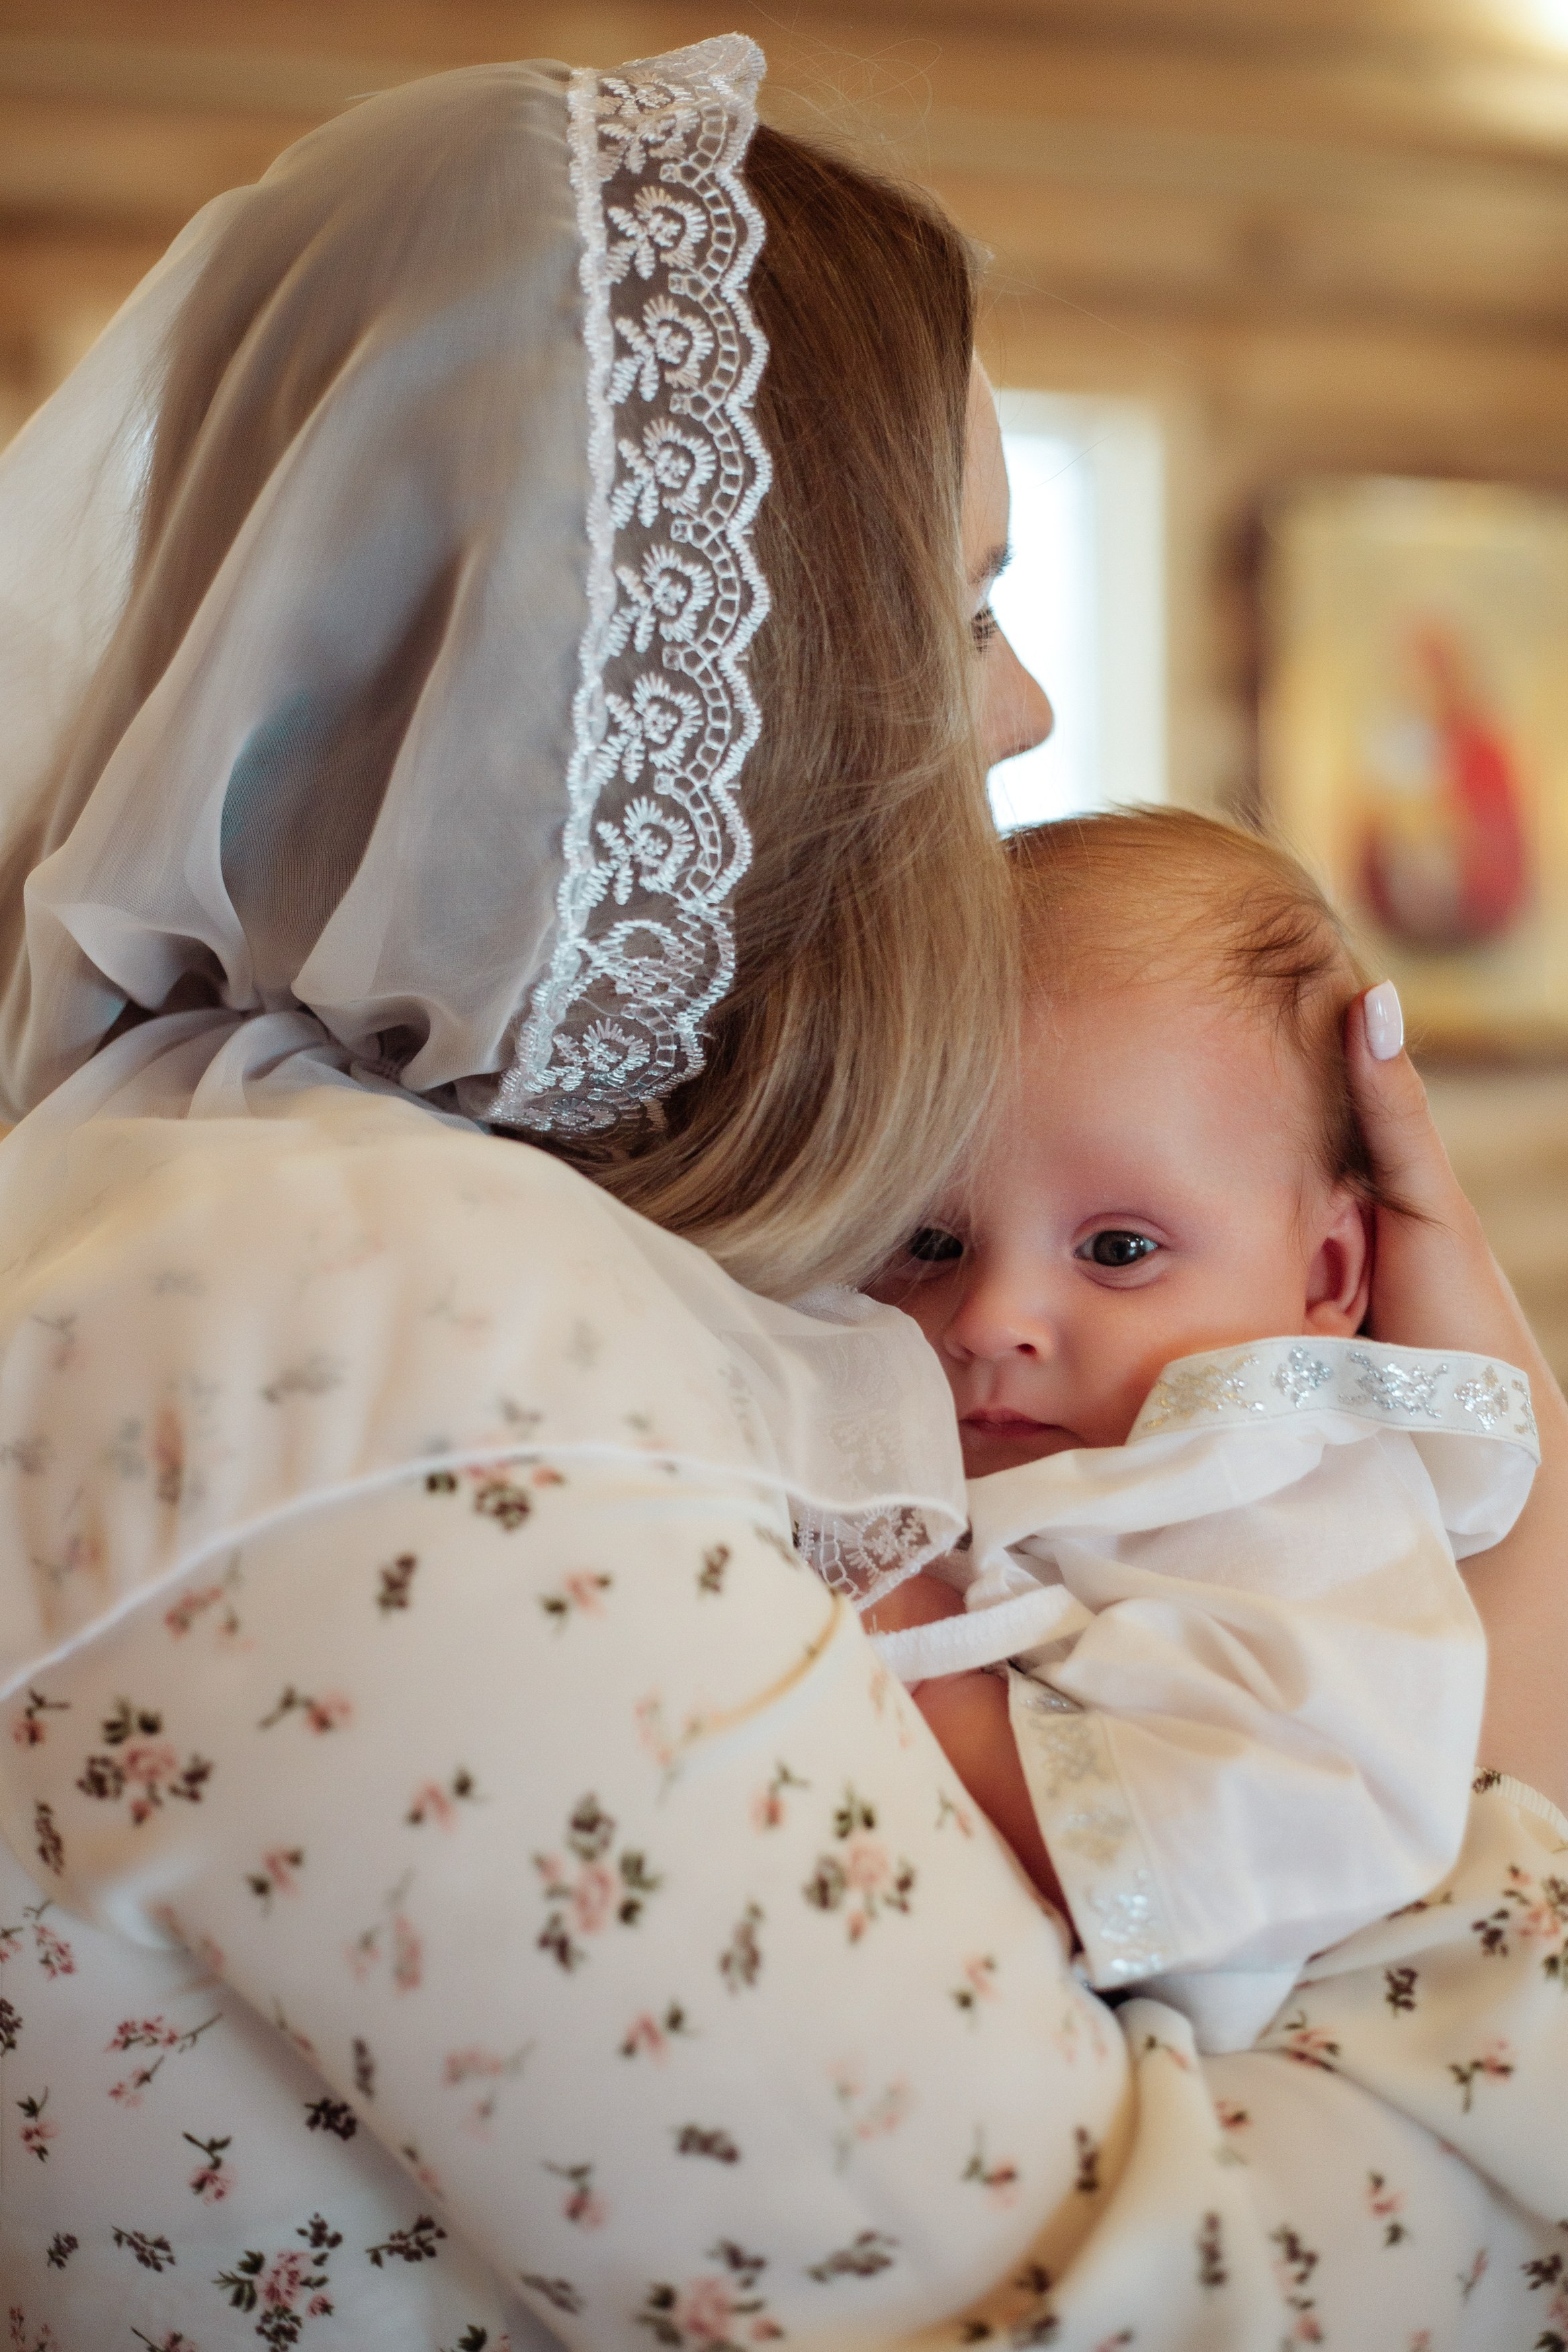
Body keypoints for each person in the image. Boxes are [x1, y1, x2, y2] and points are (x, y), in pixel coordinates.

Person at [0, 35, 1563, 2352]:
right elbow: (1167, 2313)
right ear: (666, 700)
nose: (1023, 717)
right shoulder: (394, 1351)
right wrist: (1521, 1606)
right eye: (952, 609)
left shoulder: (312, 1227)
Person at [865, 809, 1541, 2054]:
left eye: (1119, 1250)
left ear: (1330, 1274)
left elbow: (1266, 1832)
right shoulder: (941, 1411)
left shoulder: (1282, 1492)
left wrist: (933, 1665)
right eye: (929, 1241)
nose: (991, 1318)